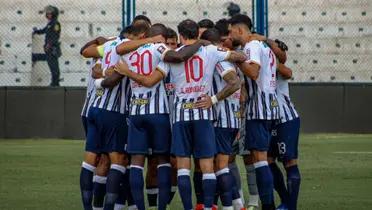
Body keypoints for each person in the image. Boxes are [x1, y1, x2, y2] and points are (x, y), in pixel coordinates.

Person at [229, 14, 281, 210]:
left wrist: (237, 59)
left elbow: (253, 72)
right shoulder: (264, 46)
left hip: (259, 108)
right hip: (269, 106)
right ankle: (269, 203)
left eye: (231, 30)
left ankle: (268, 205)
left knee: (259, 160)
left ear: (240, 30)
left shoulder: (251, 46)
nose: (230, 34)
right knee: (263, 159)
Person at [268, 63, 301, 210]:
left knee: (289, 162)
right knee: (267, 160)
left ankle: (291, 206)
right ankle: (286, 201)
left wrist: (273, 62)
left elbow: (288, 73)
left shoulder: (271, 60)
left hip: (285, 119)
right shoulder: (249, 62)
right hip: (266, 119)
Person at [32, 5, 61, 87]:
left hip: (52, 49)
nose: (48, 15)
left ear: (54, 14)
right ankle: (54, 83)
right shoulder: (50, 24)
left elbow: (55, 36)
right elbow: (44, 30)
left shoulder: (56, 24)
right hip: (48, 49)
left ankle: (55, 83)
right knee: (51, 64)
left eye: (50, 14)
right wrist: (36, 31)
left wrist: (49, 44)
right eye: (47, 14)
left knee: (54, 67)